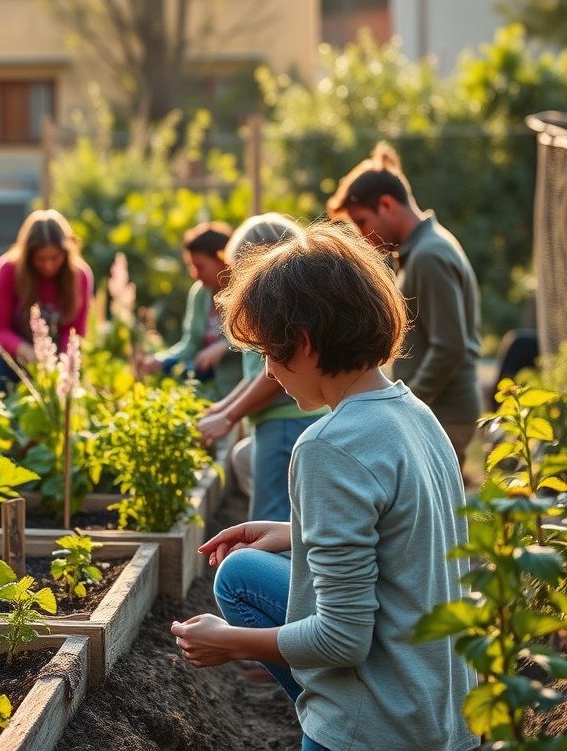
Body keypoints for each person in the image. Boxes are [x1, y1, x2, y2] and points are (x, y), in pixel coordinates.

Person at [171, 221, 476, 751]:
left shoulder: (327, 446)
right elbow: (408, 537)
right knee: (241, 570)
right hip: (448, 714)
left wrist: (229, 643)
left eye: (268, 352)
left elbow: (341, 639)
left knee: (239, 588)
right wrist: (295, 531)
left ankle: (336, 718)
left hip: (383, 730)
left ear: (305, 343)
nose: (269, 371)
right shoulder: (417, 414)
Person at [328, 142, 482, 468]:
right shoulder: (419, 253)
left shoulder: (429, 255)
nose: (361, 235)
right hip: (436, 412)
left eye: (361, 222)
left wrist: (401, 408)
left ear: (386, 205)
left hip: (444, 415)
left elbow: (450, 347)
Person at [197, 214, 328, 522]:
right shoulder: (276, 305)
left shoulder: (278, 308)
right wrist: (223, 408)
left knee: (270, 521)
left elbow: (273, 377)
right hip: (280, 421)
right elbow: (257, 374)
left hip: (284, 422)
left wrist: (228, 417)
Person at [0, 208, 93, 388]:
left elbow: (75, 329)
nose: (48, 266)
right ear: (28, 255)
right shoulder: (9, 269)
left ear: (67, 253)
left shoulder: (80, 276)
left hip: (58, 366)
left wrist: (59, 360)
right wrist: (28, 352)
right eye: (40, 259)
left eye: (55, 258)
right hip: (14, 365)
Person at [138, 221, 243, 396]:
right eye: (192, 266)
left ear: (222, 259)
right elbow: (192, 342)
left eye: (200, 266)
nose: (195, 274)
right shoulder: (200, 294)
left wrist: (225, 346)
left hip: (240, 392)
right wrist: (161, 360)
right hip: (212, 392)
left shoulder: (244, 291)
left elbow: (257, 341)